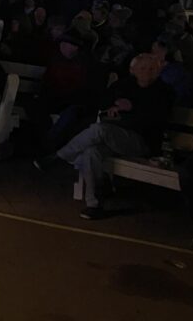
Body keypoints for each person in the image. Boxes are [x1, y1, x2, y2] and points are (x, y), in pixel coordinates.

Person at [46, 53, 174, 220]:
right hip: (115, 136)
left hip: (141, 141)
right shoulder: (125, 85)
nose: (147, 72)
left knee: (100, 130)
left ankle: (59, 156)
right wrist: (113, 107)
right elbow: (103, 101)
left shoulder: (163, 92)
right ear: (133, 70)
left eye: (151, 69)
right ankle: (94, 204)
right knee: (91, 152)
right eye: (142, 68)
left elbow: (155, 120)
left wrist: (131, 108)